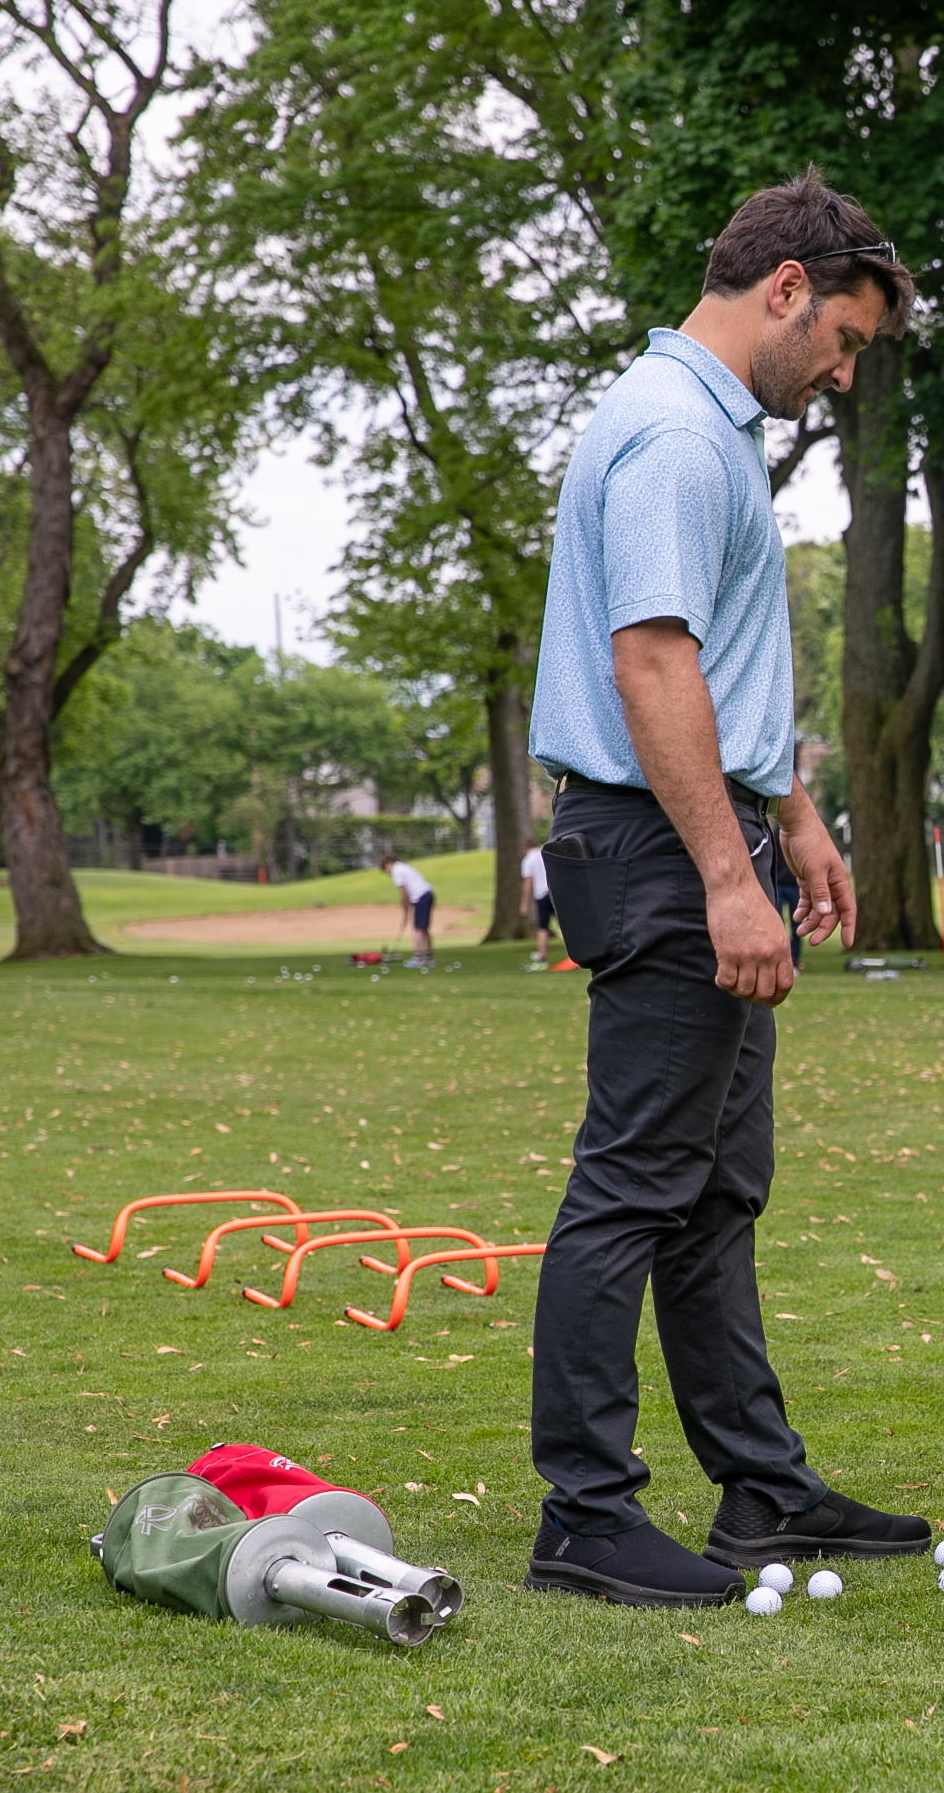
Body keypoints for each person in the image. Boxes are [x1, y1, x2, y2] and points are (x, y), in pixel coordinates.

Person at [524, 170, 908, 1608]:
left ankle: (761, 1488)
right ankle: (585, 1516)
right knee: (633, 1182)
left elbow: (720, 667)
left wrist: (791, 818)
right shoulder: (679, 435)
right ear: (787, 289)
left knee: (714, 1188)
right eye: (846, 341)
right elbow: (652, 664)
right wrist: (725, 881)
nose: (844, 374)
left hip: (704, 834)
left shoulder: (709, 429)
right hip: (659, 849)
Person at [380, 851, 435, 969]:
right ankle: (429, 958)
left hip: (421, 896)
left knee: (417, 928)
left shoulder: (396, 870)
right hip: (427, 894)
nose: (388, 873)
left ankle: (418, 959)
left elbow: (403, 894)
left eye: (386, 869)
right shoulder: (402, 867)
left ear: (388, 864)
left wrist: (405, 913)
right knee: (424, 928)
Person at [520, 838, 556, 965]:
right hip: (554, 893)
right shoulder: (544, 854)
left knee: (542, 927)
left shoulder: (528, 860)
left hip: (542, 894)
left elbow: (527, 883)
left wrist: (524, 904)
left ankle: (542, 956)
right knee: (564, 924)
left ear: (525, 849)